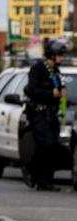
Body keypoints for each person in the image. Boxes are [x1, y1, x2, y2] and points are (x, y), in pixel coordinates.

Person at [23, 39, 69, 192]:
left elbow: (59, 90)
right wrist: (51, 93)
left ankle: (46, 181)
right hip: (39, 113)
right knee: (46, 145)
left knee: (53, 146)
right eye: (59, 55)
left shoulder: (56, 72)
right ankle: (31, 170)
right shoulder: (38, 68)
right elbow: (31, 90)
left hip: (52, 114)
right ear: (52, 55)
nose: (61, 58)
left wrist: (62, 94)